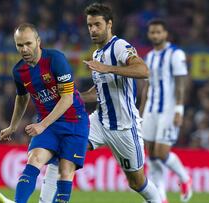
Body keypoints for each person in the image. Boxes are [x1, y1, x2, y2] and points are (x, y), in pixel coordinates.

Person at [39, 3, 163, 203]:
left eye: (97, 24)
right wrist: (71, 97)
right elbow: (98, 92)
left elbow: (143, 71)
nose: (93, 30)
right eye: (89, 25)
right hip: (99, 121)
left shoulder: (120, 47)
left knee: (136, 182)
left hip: (124, 127)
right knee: (63, 149)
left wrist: (108, 68)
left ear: (109, 24)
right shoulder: (97, 54)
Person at [0, 23, 89, 203]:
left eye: (28, 43)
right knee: (34, 158)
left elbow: (67, 98)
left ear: (38, 41)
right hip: (48, 125)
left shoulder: (55, 59)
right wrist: (12, 126)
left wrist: (42, 125)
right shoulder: (18, 71)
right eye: (20, 45)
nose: (24, 49)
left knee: (65, 171)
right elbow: (22, 98)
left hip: (74, 121)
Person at [139, 19, 192, 203]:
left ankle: (184, 178)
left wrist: (179, 110)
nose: (155, 35)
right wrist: (141, 111)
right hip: (151, 110)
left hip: (168, 110)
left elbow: (181, 84)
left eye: (158, 32)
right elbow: (147, 87)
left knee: (161, 152)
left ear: (165, 34)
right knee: (152, 155)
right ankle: (160, 197)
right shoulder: (149, 57)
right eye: (152, 32)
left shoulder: (175, 54)